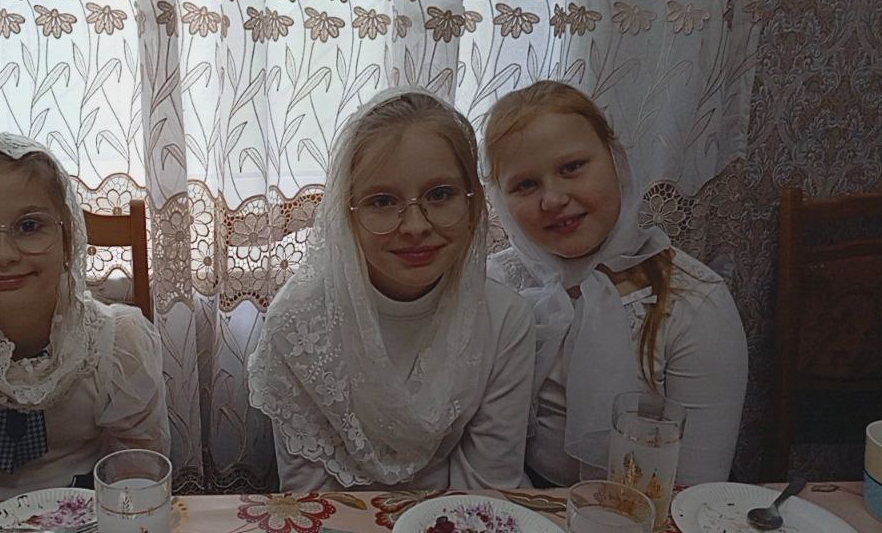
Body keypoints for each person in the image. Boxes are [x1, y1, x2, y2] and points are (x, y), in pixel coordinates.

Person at [248, 88, 535, 491]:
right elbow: (310, 498)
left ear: (473, 204)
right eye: (382, 201)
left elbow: (487, 489)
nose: (415, 226)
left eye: (440, 195)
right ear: (345, 214)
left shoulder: (505, 320)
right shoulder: (297, 323)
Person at [484, 80, 747, 486]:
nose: (553, 199)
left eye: (572, 168)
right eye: (525, 185)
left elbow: (698, 484)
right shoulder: (496, 284)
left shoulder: (694, 301)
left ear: (615, 160)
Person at [0, 133, 169, 501]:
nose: (3, 255)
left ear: (68, 239)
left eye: (29, 227)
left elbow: (135, 485)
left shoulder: (117, 344)